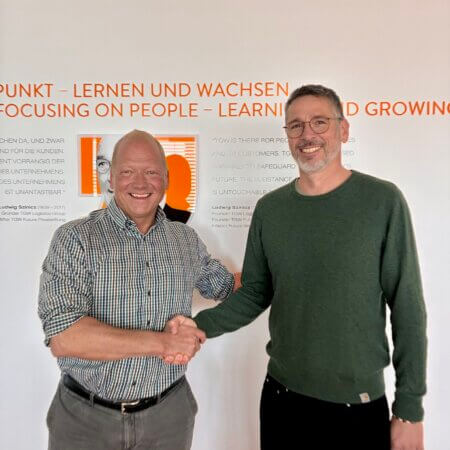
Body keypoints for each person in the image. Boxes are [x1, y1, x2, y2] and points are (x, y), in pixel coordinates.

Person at [167, 85, 427, 450]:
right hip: (282, 399)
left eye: (320, 122)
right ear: (288, 135)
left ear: (343, 129)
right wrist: (200, 326)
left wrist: (409, 410)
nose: (307, 134)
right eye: (296, 125)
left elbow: (407, 307)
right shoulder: (270, 210)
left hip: (357, 404)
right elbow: (255, 291)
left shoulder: (382, 202)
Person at [38, 129, 237, 450]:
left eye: (151, 172)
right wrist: (164, 343)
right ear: (112, 178)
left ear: (166, 178)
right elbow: (65, 337)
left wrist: (285, 270)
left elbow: (226, 286)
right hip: (85, 420)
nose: (140, 183)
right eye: (128, 172)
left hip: (168, 417)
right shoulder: (75, 239)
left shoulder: (185, 240)